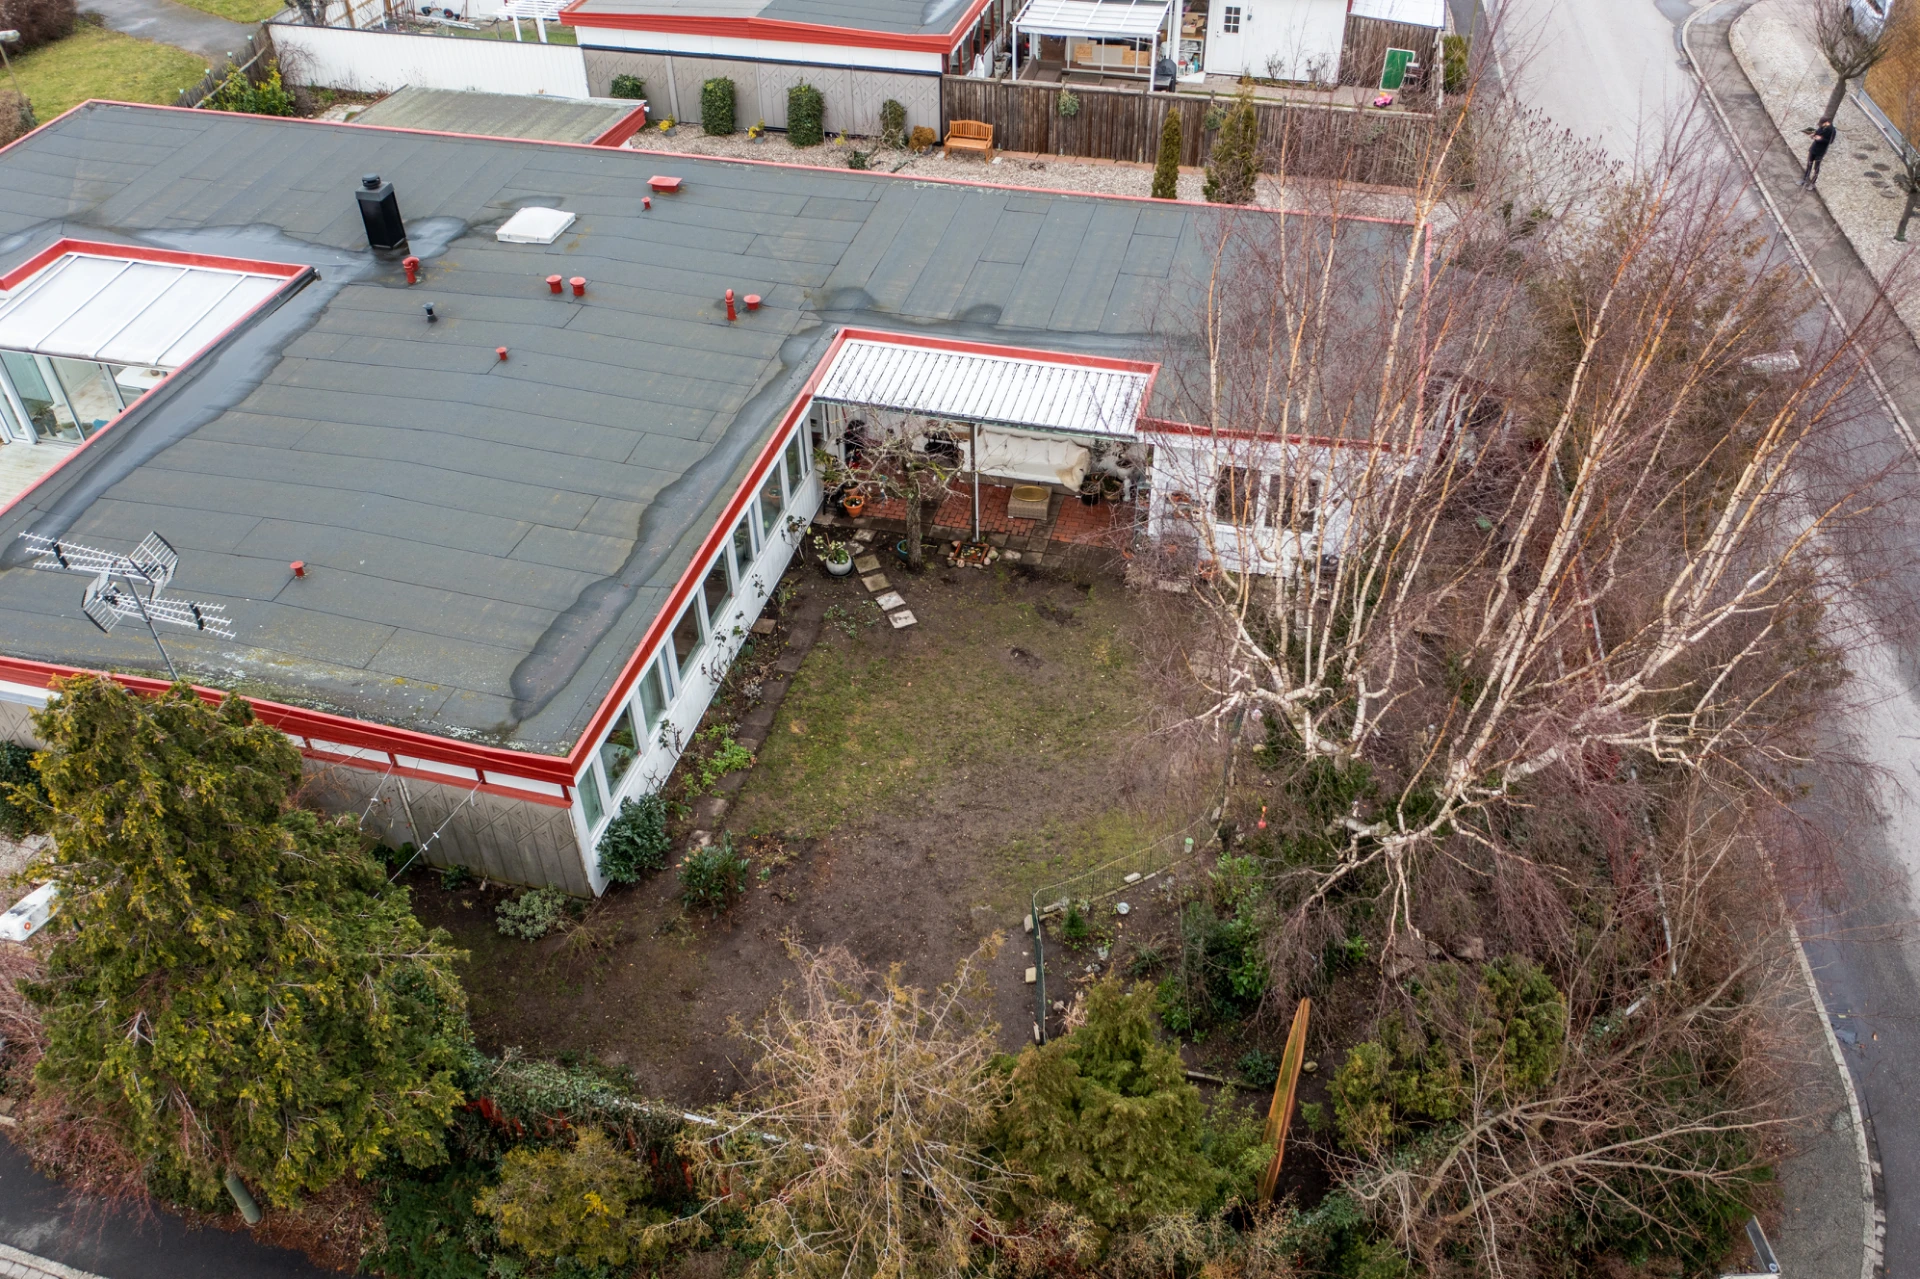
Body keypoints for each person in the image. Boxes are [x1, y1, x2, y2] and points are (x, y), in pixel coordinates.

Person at [1800, 117, 1838, 188]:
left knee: (1816, 168)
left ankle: (1812, 183)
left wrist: (1821, 139)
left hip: (1821, 151)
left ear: (1826, 122)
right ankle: (1804, 179)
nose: (1821, 125)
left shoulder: (1832, 130)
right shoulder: (1822, 127)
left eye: (1822, 124)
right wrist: (1813, 135)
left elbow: (1830, 141)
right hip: (1813, 148)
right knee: (1809, 164)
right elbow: (1817, 132)